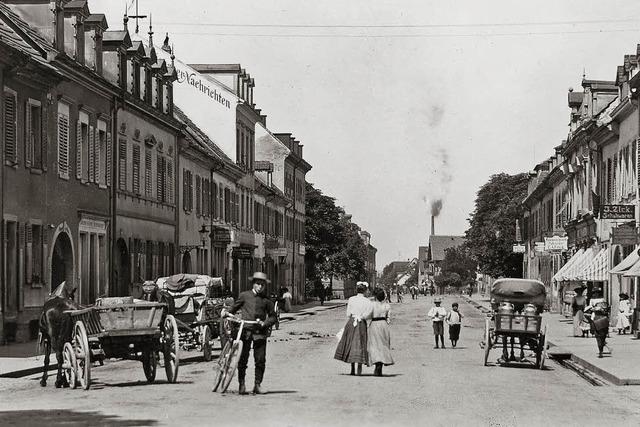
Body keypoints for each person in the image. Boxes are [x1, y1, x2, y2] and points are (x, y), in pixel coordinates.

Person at [225, 272, 277, 395]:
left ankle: (257, 385)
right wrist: (227, 312)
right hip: (246, 331)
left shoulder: (267, 300)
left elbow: (273, 317)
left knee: (260, 360)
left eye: (262, 285)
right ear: (253, 284)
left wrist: (265, 323)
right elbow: (234, 308)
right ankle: (241, 384)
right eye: (258, 284)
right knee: (243, 359)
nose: (260, 287)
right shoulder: (244, 296)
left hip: (260, 333)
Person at [334, 282, 373, 375]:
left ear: (356, 290)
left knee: (350, 343)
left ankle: (352, 368)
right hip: (361, 323)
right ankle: (359, 368)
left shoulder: (351, 299)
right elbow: (368, 315)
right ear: (365, 291)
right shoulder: (368, 301)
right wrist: (362, 316)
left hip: (352, 322)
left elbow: (348, 314)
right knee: (361, 343)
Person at [367, 288, 394, 376]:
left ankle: (376, 364)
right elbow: (389, 318)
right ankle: (380, 365)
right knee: (383, 345)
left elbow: (368, 315)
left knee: (374, 345)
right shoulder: (387, 306)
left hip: (374, 324)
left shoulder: (372, 305)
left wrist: (361, 317)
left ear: (375, 296)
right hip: (384, 324)